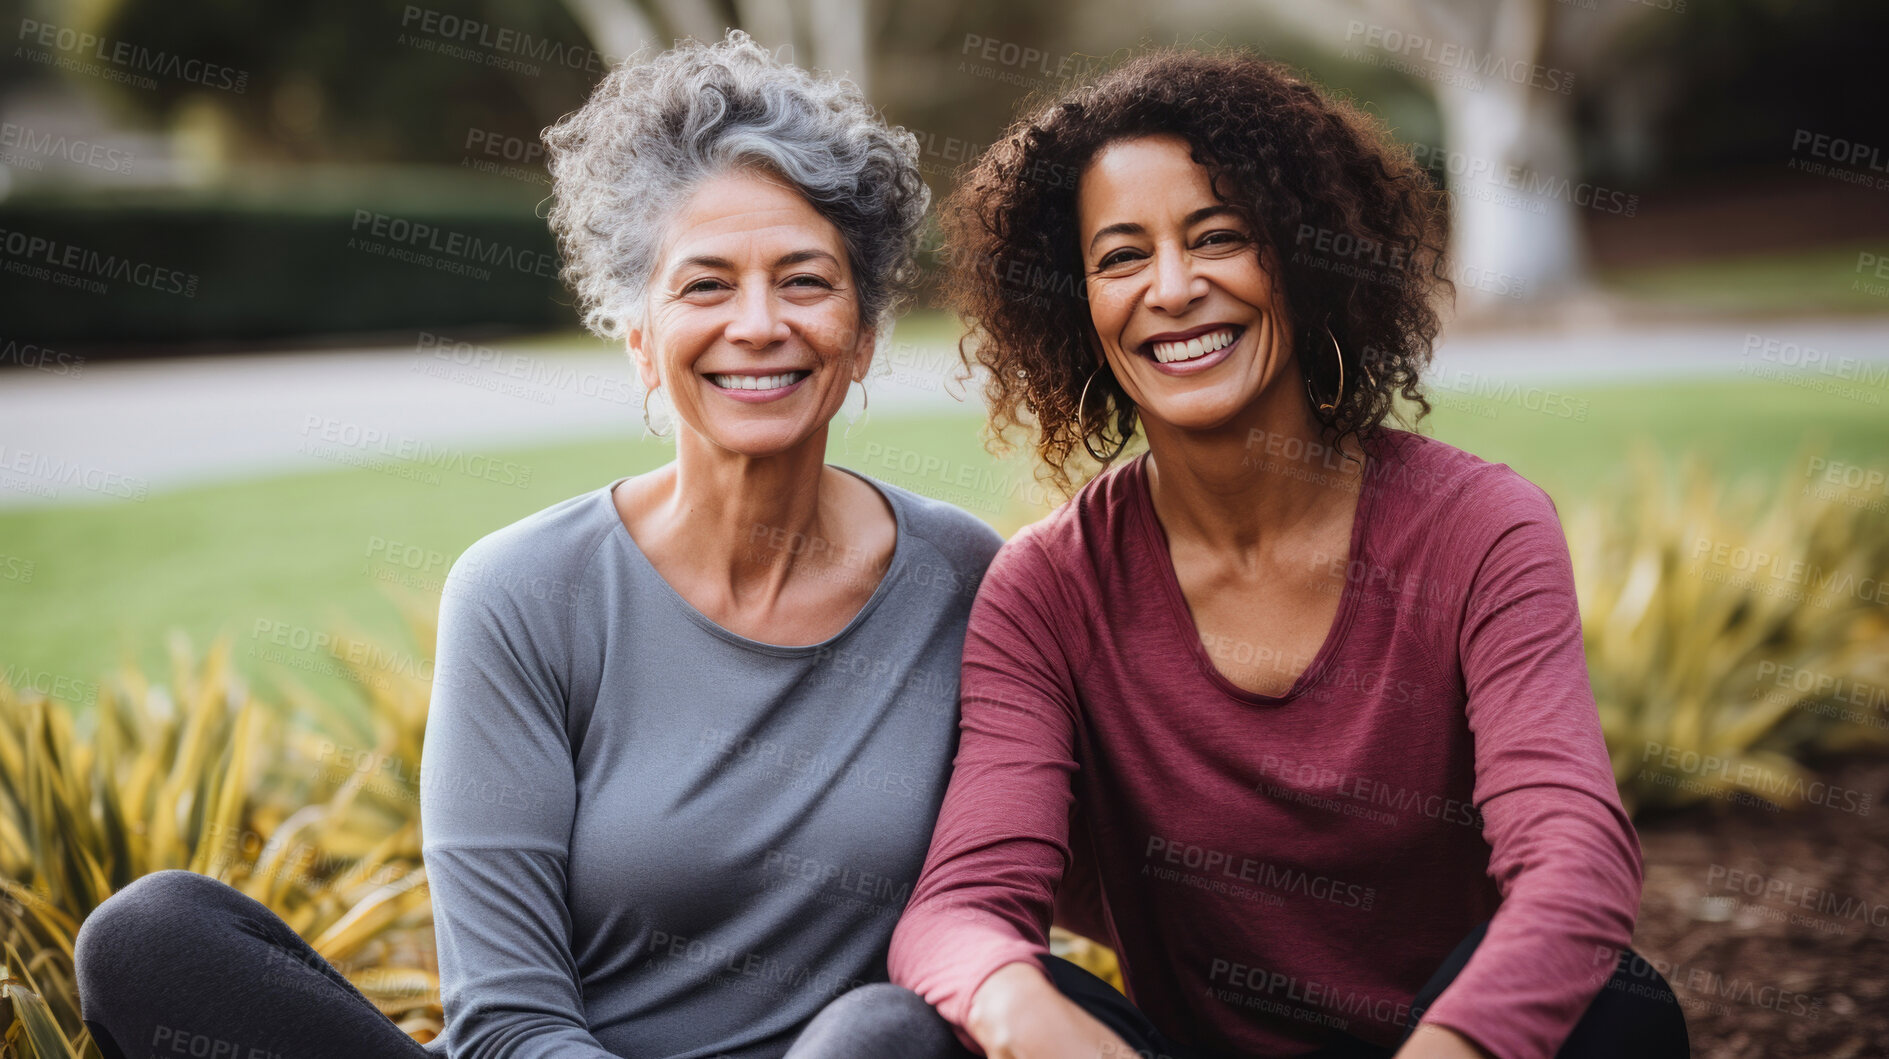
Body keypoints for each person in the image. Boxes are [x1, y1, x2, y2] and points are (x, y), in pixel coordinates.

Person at [73, 30, 1002, 1059]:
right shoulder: (525, 593)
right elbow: (508, 1020)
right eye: (703, 285)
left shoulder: (958, 579)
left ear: (864, 330)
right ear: (639, 338)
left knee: (883, 1036)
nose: (756, 323)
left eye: (803, 281)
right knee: (152, 938)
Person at [870, 47, 1691, 1059]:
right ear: (1075, 306)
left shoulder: (1478, 531)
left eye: (1217, 238)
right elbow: (957, 906)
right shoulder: (1050, 588)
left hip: (1442, 1047)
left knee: (1616, 1009)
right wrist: (1019, 1011)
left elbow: (1575, 865)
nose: (1171, 289)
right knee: (891, 1033)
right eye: (1120, 256)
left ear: (1301, 258)